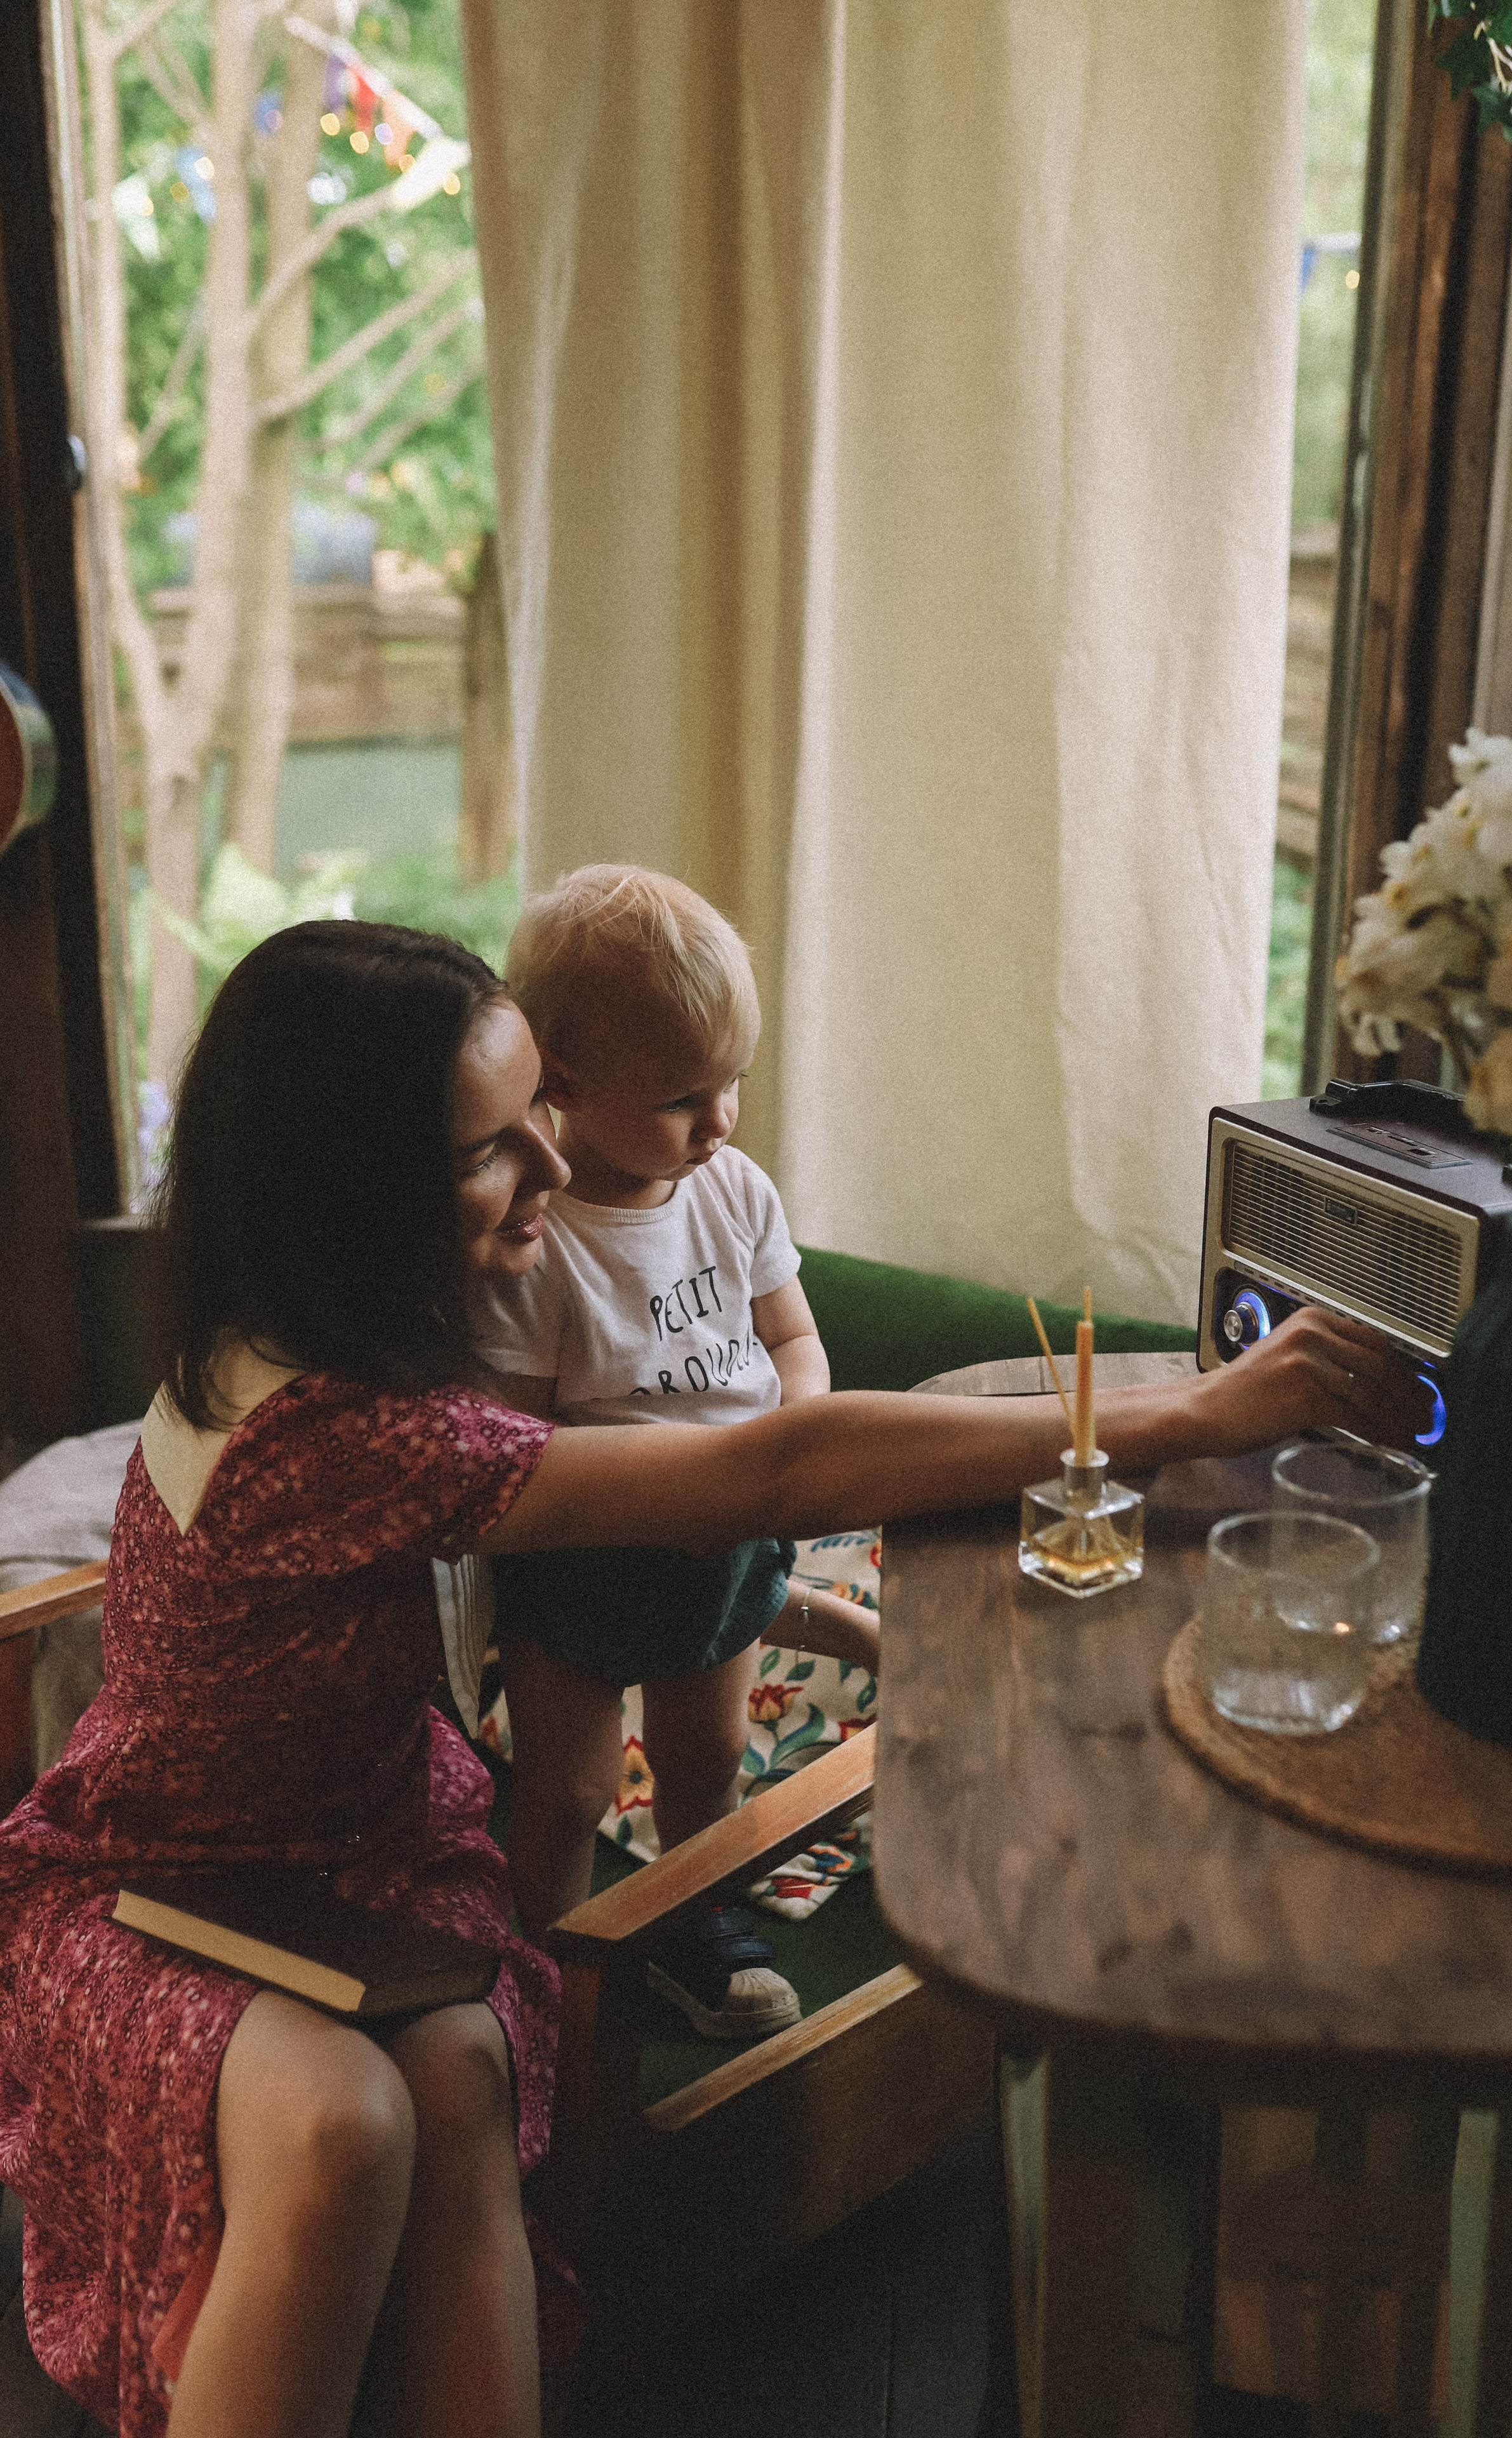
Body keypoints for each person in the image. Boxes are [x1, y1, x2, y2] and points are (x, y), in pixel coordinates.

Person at [0, 922, 1421, 2438]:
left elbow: (755, 1450)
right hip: (159, 1884)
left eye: (545, 1110)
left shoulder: (327, 1342)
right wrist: (1185, 1413)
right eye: (495, 1149)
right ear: (357, 1196)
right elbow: (771, 1467)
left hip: (366, 1861)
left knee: (460, 2067)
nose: (555, 1172)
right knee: (344, 2121)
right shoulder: (342, 1438)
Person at [471, 866, 879, 2037]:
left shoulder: (733, 1191)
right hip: (593, 1562)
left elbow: (794, 1337)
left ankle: (700, 1926)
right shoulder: (541, 1241)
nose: (719, 1123)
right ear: (560, 1080)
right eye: (679, 1098)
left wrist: (788, 1436)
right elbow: (518, 1448)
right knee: (569, 1792)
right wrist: (660, 1498)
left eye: (732, 1083)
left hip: (735, 1537)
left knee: (710, 1761)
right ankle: (533, 1982)